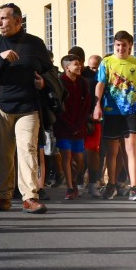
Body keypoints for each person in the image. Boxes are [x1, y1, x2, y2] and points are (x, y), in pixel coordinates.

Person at [0, 3, 52, 214]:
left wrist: (43, 83)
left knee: (27, 149)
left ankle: (30, 197)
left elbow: (49, 71)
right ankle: (5, 196)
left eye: (4, 18)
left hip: (28, 107)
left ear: (18, 20)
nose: (0, 22)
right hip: (1, 108)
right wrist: (0, 59)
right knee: (4, 154)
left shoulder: (35, 44)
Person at [94, 31, 136, 201]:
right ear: (114, 45)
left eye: (124, 45)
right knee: (112, 150)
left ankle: (134, 187)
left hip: (131, 111)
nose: (120, 48)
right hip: (112, 111)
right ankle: (111, 184)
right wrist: (97, 105)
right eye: (117, 45)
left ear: (130, 45)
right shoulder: (107, 62)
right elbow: (100, 84)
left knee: (131, 147)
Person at [55, 54, 93, 200]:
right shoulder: (60, 82)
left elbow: (86, 104)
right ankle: (70, 187)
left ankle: (75, 179)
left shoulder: (83, 82)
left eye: (79, 64)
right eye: (76, 64)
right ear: (67, 68)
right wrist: (70, 124)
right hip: (64, 127)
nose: (79, 66)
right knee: (66, 155)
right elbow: (59, 107)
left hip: (79, 126)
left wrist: (79, 123)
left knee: (79, 157)